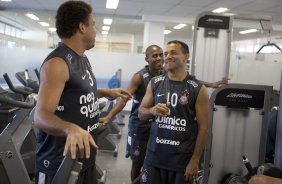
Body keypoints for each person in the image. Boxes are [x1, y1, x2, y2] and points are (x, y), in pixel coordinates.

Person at [33, 1, 131, 184]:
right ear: (82, 27)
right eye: (93, 25)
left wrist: (105, 92)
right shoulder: (57, 63)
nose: (95, 30)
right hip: (59, 163)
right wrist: (70, 128)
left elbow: (76, 93)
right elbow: (40, 116)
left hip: (85, 158)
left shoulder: (82, 59)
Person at [99, 44, 228, 183]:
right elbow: (125, 99)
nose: (162, 58)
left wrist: (210, 84)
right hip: (141, 126)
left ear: (186, 57)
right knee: (138, 162)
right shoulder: (142, 78)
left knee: (149, 166)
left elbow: (187, 80)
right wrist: (109, 116)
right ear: (147, 59)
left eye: (162, 54)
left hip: (165, 138)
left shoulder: (166, 74)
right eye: (157, 55)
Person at [138, 40, 209, 184]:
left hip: (181, 162)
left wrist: (195, 161)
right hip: (154, 158)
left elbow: (204, 128)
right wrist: (152, 110)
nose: (167, 56)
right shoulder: (155, 83)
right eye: (166, 53)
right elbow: (141, 113)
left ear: (186, 56)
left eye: (173, 53)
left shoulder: (197, 88)